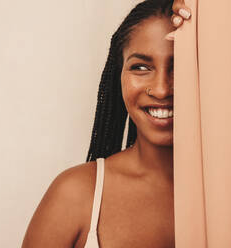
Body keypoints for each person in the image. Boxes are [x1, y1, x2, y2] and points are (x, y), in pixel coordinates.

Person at [21, 0, 191, 247]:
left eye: (181, 66)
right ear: (118, 75)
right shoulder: (76, 195)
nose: (162, 89)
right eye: (141, 67)